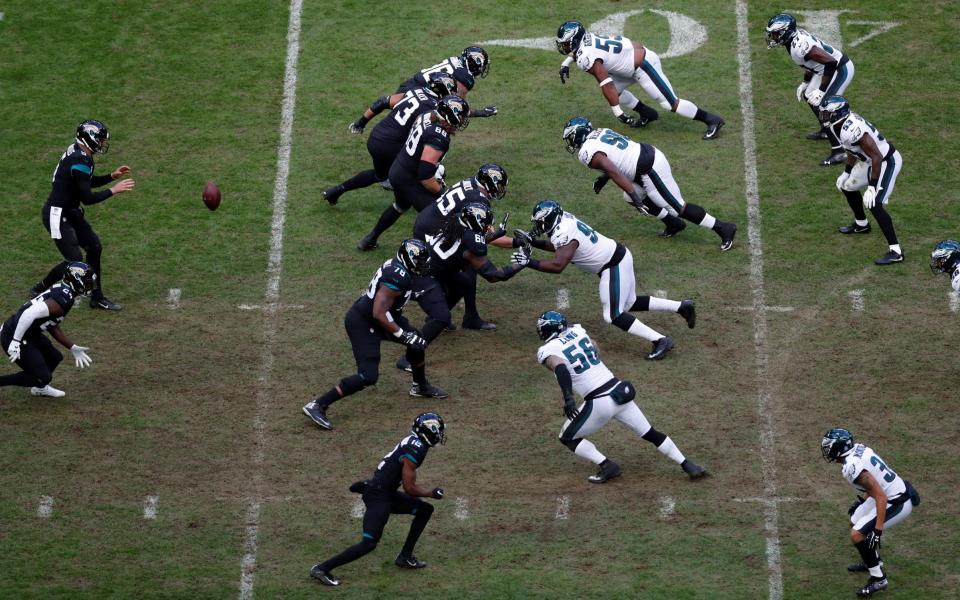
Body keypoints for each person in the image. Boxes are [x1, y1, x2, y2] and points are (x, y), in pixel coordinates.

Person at [511, 200, 695, 361]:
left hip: (612, 265)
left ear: (549, 218)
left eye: (540, 222)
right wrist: (534, 243)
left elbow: (558, 265)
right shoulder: (563, 222)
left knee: (613, 314)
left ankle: (661, 340)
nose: (538, 227)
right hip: (617, 256)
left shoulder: (563, 231)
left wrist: (529, 262)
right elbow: (561, 247)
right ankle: (682, 307)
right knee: (629, 303)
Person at [535, 311, 705, 483]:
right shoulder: (578, 331)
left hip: (598, 400)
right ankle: (688, 464)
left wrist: (568, 398)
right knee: (650, 433)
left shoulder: (547, 350)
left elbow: (561, 369)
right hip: (618, 390)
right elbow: (594, 347)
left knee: (567, 437)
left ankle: (607, 465)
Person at [302, 240, 447, 431]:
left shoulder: (400, 269)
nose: (423, 266)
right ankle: (318, 404)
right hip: (365, 322)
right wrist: (402, 334)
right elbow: (378, 312)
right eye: (419, 262)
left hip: (384, 317)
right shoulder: (398, 276)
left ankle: (420, 386)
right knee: (368, 375)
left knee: (417, 343)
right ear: (407, 259)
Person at [310, 412, 447, 587]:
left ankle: (405, 556)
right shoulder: (417, 449)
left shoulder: (414, 442)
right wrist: (431, 493)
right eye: (439, 431)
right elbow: (410, 488)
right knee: (369, 543)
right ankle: (321, 568)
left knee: (425, 510)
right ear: (430, 431)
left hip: (385, 492)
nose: (441, 434)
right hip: (379, 496)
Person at [563, 116, 737, 249]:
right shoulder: (600, 132)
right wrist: (607, 180)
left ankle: (723, 227)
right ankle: (673, 223)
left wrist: (631, 190)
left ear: (579, 134)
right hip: (644, 157)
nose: (571, 142)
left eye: (571, 137)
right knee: (630, 197)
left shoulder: (586, 151)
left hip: (649, 166)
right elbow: (616, 158)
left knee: (677, 207)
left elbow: (613, 169)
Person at [28, 120, 135, 310]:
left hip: (70, 211)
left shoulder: (79, 152)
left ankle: (97, 297)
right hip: (57, 214)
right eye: (100, 140)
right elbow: (87, 197)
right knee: (74, 262)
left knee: (94, 247)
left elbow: (85, 181)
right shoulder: (81, 160)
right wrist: (114, 190)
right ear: (89, 138)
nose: (102, 144)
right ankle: (40, 288)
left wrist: (111, 176)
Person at [555, 20, 724, 140]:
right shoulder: (588, 39)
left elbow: (604, 82)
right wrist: (566, 62)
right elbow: (582, 52)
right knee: (617, 91)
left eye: (567, 44)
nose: (565, 47)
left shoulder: (586, 57)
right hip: (629, 61)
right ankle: (647, 113)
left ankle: (712, 120)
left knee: (671, 104)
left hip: (643, 65)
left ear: (576, 40)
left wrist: (618, 113)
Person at [405, 163, 513, 339]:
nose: (500, 190)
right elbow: (484, 238)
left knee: (464, 272)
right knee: (448, 273)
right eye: (499, 185)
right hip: (433, 231)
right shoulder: (478, 201)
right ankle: (441, 316)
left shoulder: (471, 182)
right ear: (490, 183)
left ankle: (467, 315)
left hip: (429, 221)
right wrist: (517, 242)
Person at [323, 72, 459, 204]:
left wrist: (361, 123)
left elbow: (383, 101)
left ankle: (337, 190)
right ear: (443, 89)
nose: (452, 94)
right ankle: (431, 205)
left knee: (379, 175)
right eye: (451, 91)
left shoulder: (415, 91)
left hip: (376, 137)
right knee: (426, 171)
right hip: (391, 145)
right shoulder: (433, 107)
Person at [357, 95, 470, 251]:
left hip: (399, 167)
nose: (459, 123)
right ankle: (434, 259)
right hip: (410, 178)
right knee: (443, 217)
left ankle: (370, 238)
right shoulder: (439, 137)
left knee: (400, 205)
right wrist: (442, 194)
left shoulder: (427, 115)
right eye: (458, 119)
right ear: (447, 119)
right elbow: (425, 176)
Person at [821, 428, 921, 597]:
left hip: (897, 501)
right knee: (855, 519)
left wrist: (877, 529)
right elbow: (875, 482)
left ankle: (878, 578)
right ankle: (873, 561)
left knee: (857, 534)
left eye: (829, 447)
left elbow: (881, 496)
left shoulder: (852, 467)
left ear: (838, 448)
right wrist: (865, 500)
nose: (826, 451)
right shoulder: (857, 450)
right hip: (887, 493)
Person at [820, 96, 904, 265]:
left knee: (874, 203)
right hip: (870, 161)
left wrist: (872, 187)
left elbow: (877, 156)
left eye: (827, 114)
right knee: (847, 186)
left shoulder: (851, 129)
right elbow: (852, 150)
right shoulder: (840, 125)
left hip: (886, 161)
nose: (824, 117)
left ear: (837, 114)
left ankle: (896, 251)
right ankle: (862, 224)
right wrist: (847, 172)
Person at [765, 13, 854, 166]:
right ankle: (826, 131)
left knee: (827, 107)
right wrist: (806, 82)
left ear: (785, 32)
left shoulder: (799, 46)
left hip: (839, 69)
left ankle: (840, 151)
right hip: (824, 70)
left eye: (775, 33)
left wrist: (821, 91)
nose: (773, 36)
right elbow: (813, 64)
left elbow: (830, 62)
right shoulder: (793, 41)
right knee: (808, 95)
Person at [1, 262, 95, 398]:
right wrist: (16, 341)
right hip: (14, 334)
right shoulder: (63, 299)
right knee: (43, 377)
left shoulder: (65, 292)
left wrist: (71, 346)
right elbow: (29, 314)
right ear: (76, 280)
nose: (90, 286)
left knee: (54, 357)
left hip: (28, 332)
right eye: (87, 282)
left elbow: (51, 323)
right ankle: (36, 384)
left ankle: (40, 388)